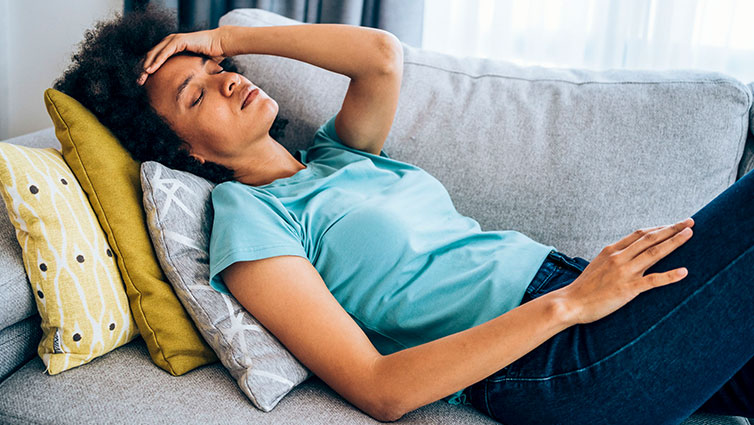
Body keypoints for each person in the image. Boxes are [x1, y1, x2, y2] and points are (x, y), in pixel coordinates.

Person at [55, 6, 753, 424]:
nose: (227, 79)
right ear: (186, 150)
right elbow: (379, 387)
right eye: (196, 94)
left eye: (214, 68)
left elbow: (380, 58)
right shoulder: (250, 220)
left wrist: (225, 38)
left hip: (581, 295)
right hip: (554, 357)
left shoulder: (334, 157)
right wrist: (570, 304)